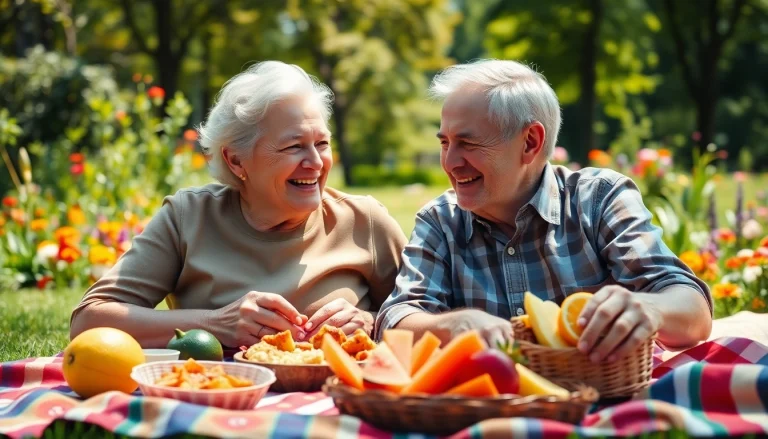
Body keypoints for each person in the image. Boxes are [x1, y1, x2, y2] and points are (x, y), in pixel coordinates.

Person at [375, 59, 712, 363]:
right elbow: (397, 319)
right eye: (445, 142)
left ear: (530, 143)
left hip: (605, 398)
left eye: (468, 143)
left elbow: (692, 309)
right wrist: (454, 324)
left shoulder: (599, 199)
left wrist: (650, 308)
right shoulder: (440, 221)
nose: (449, 162)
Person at [70, 61, 407, 349]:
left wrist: (371, 322)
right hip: (217, 400)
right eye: (293, 147)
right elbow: (89, 321)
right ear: (236, 161)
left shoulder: (366, 221)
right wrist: (214, 324)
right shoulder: (188, 218)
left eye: (321, 143)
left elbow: (430, 317)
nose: (316, 162)